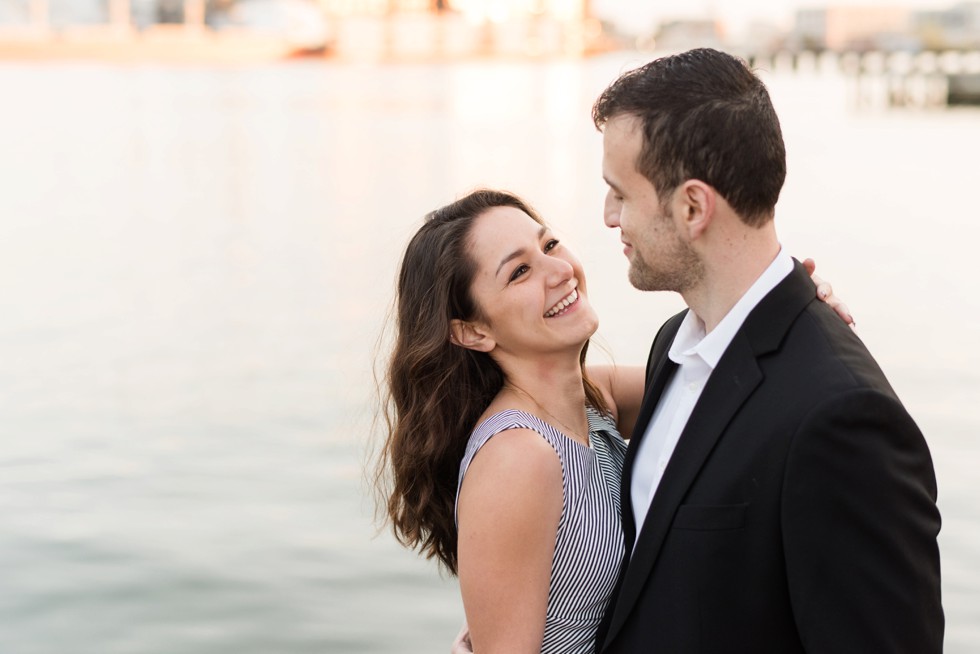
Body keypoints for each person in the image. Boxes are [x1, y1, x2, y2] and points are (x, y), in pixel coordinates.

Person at [377, 189, 850, 654]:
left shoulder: (593, 399)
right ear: (472, 331)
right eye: (520, 272)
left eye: (549, 245)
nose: (560, 271)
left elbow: (731, 383)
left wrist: (798, 313)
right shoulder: (517, 457)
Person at [590, 48, 943, 652]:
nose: (607, 216)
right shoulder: (673, 347)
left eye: (620, 193)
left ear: (693, 207)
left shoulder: (841, 420)